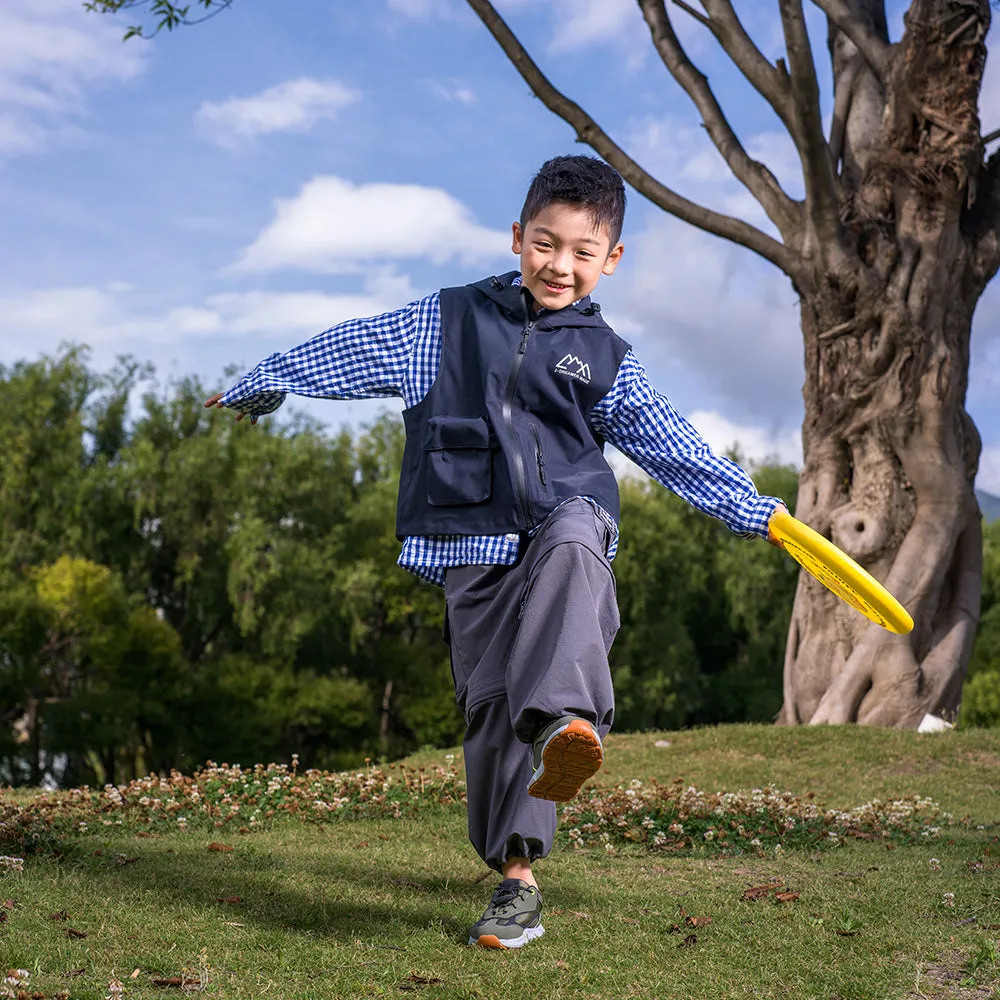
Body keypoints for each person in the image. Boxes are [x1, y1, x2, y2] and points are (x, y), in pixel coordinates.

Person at [206, 155, 786, 950]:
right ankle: (515, 875)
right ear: (518, 237)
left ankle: (558, 753)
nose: (561, 265)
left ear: (611, 260)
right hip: (471, 550)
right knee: (490, 716)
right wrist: (266, 380)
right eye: (546, 243)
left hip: (562, 526)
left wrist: (758, 513)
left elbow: (676, 449)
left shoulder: (608, 360)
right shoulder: (441, 324)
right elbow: (351, 349)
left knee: (580, 543)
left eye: (584, 251)